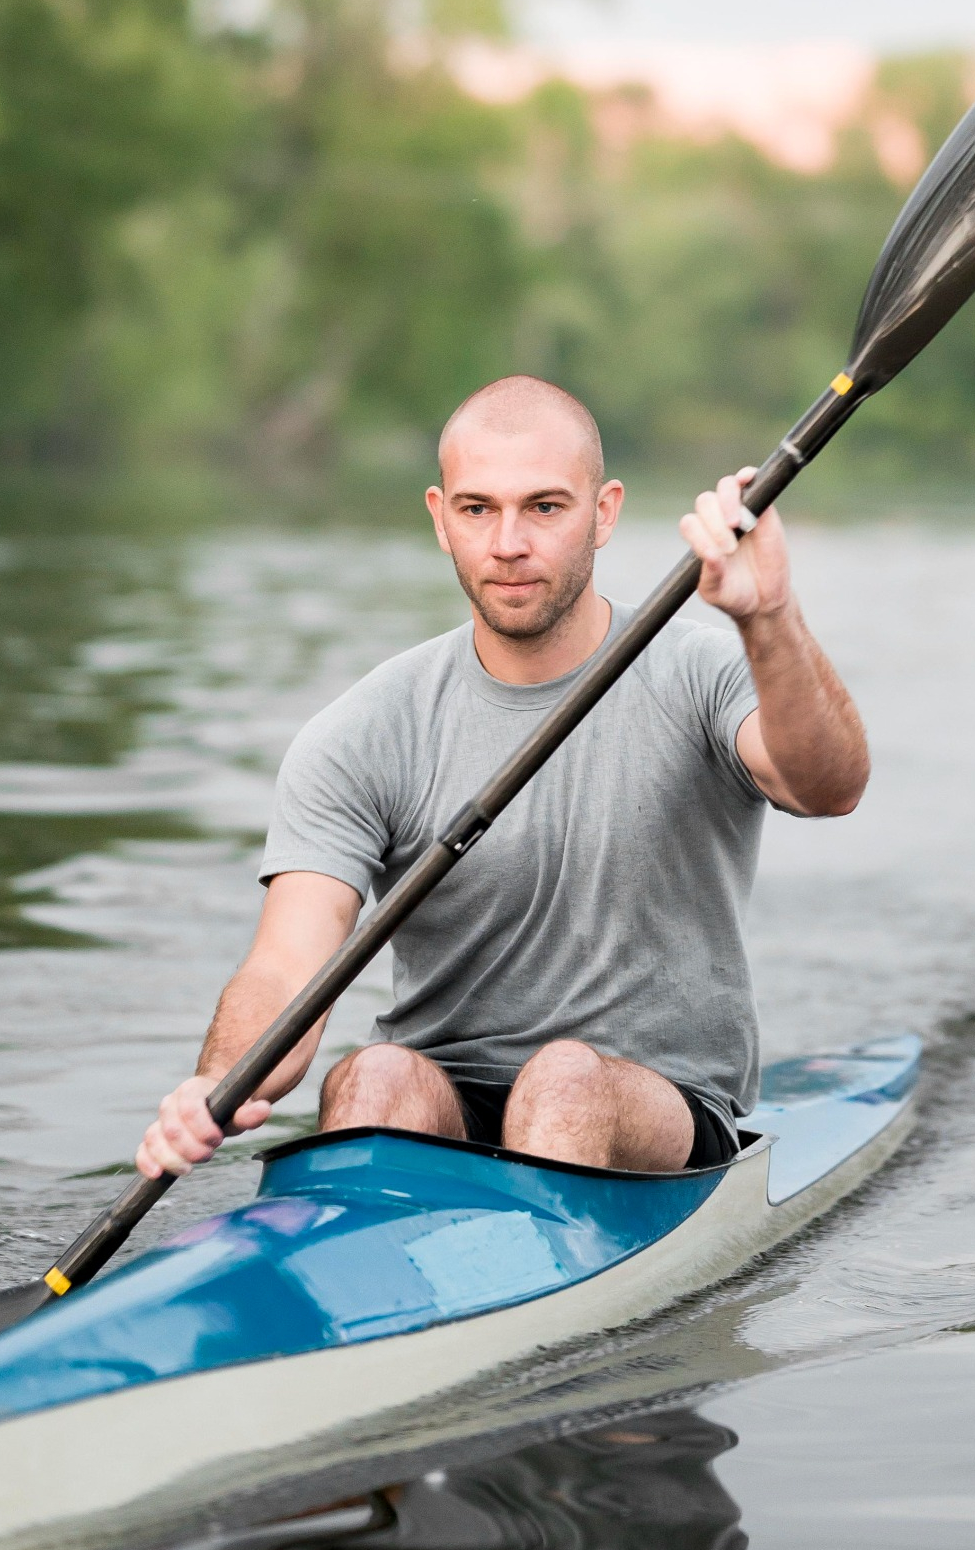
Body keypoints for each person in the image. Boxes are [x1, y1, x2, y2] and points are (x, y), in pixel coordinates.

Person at [137, 375, 868, 1177]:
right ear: (439, 519)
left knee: (561, 1083)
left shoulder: (702, 673)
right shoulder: (361, 732)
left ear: (605, 512)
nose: (507, 542)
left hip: (656, 1107)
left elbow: (827, 788)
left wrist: (770, 618)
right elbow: (286, 966)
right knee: (373, 1075)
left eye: (544, 507)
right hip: (445, 1097)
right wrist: (215, 1083)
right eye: (477, 508)